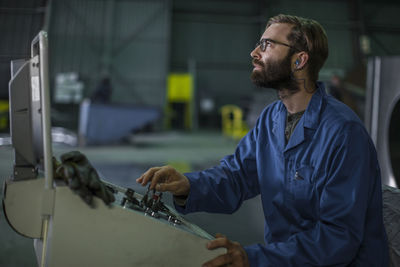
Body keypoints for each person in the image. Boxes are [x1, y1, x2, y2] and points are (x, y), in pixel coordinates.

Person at [136, 14, 389, 266]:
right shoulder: (272, 119)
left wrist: (255, 259)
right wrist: (188, 185)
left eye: (267, 45)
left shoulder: (343, 133)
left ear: (299, 60)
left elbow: (338, 238)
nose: (254, 52)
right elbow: (236, 177)